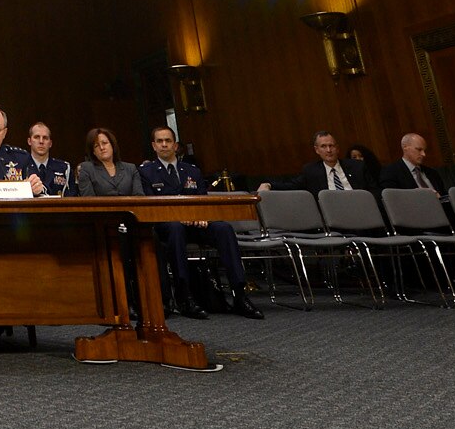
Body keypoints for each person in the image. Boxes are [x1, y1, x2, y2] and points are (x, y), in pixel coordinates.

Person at [141, 126, 263, 320]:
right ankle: (184, 296)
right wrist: (179, 217)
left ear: (176, 145)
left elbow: (202, 200)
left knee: (224, 229)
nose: (164, 145)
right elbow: (150, 205)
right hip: (168, 226)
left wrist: (202, 215)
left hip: (197, 223)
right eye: (160, 141)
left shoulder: (192, 171)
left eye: (168, 141)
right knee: (175, 228)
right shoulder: (146, 172)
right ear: (153, 146)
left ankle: (240, 294)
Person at [282, 130, 376, 193]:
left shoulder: (357, 167)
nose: (328, 150)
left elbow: (374, 191)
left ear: (337, 148)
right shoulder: (311, 171)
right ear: (317, 150)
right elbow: (292, 185)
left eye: (331, 146)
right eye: (323, 146)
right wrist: (269, 185)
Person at [75, 127, 145, 196]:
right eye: (96, 146)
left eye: (104, 143)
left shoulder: (130, 169)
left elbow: (139, 197)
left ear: (112, 145)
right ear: (94, 152)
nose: (102, 148)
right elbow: (89, 202)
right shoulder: (87, 169)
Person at [379, 133, 447, 194]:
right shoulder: (390, 172)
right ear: (405, 147)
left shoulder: (433, 173)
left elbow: (445, 196)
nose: (424, 154)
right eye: (419, 149)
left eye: (424, 150)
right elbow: (392, 200)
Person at [27, 122, 73, 196]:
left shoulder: (64, 168)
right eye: (37, 137)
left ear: (50, 143)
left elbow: (72, 198)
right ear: (29, 141)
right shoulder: (21, 166)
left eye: (45, 138)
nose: (41, 141)